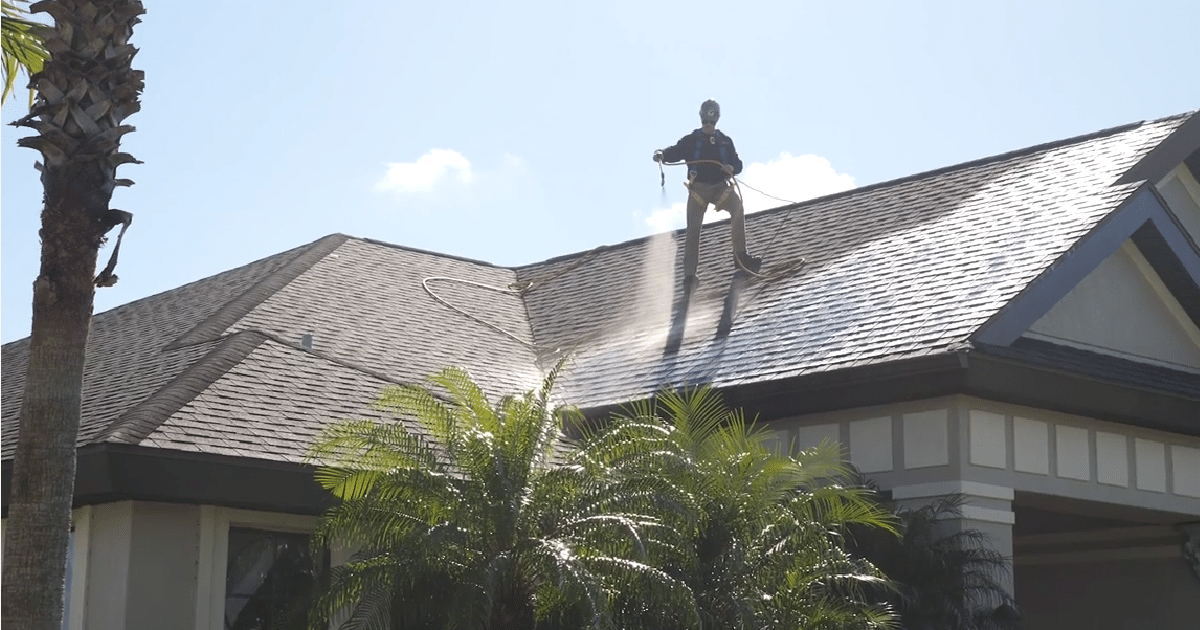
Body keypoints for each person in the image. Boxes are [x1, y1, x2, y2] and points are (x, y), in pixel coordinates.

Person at [654, 99, 761, 288]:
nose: (709, 125)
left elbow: (738, 164)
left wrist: (731, 168)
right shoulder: (692, 141)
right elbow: (675, 151)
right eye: (707, 121)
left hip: (721, 187)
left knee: (737, 207)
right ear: (702, 118)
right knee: (693, 230)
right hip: (699, 190)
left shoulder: (725, 142)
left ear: (716, 119)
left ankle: (741, 257)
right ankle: (689, 276)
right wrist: (662, 154)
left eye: (711, 121)